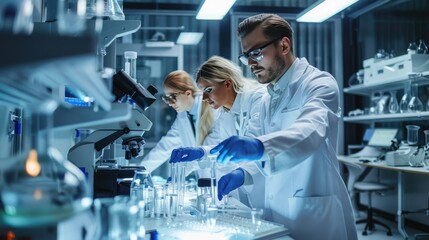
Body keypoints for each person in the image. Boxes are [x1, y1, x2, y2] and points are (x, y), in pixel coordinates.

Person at [209, 14, 358, 239]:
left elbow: (309, 131)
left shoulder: (319, 84)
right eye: (245, 56)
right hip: (276, 211)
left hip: (314, 213)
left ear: (284, 45)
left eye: (256, 53)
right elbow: (255, 137)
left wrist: (258, 147)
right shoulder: (268, 97)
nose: (250, 63)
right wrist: (242, 172)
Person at [168, 56, 266, 201]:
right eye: (202, 92)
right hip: (243, 194)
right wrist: (201, 152)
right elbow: (224, 149)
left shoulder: (257, 99)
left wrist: (242, 173)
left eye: (208, 89)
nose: (204, 98)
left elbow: (254, 146)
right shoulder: (224, 113)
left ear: (227, 83)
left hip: (264, 188)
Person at [140, 70, 218, 175]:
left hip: (222, 174)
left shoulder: (213, 109)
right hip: (206, 178)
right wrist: (141, 171)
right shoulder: (183, 116)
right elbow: (165, 146)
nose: (170, 104)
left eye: (172, 97)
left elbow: (216, 148)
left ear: (188, 93)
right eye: (166, 98)